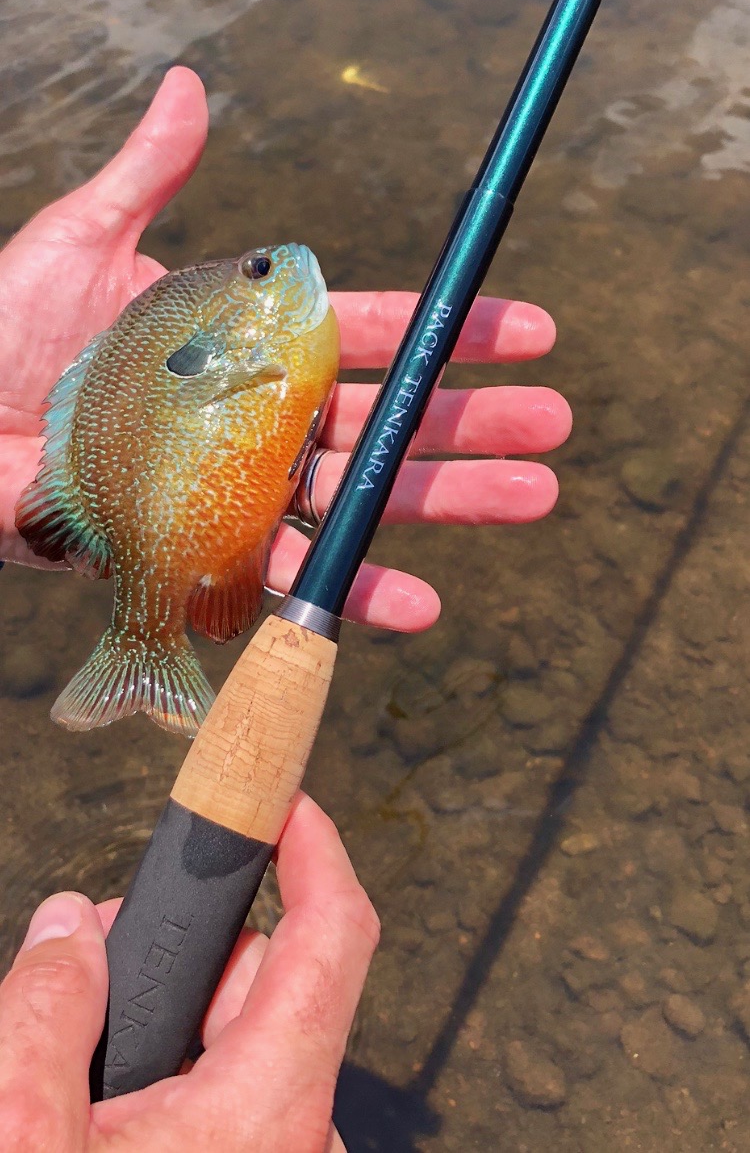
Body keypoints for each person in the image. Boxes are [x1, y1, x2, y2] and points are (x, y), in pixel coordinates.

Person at [0, 67, 571, 1149]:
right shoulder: (218, 339)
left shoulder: (227, 341)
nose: (284, 268)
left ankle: (144, 641)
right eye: (261, 270)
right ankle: (143, 642)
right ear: (235, 318)